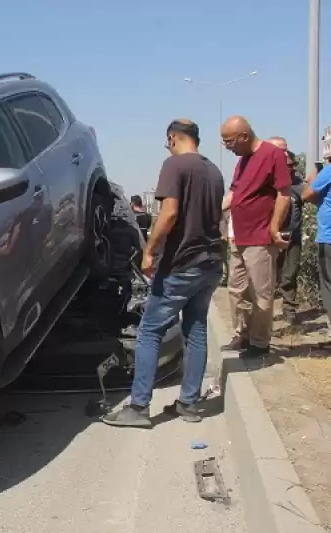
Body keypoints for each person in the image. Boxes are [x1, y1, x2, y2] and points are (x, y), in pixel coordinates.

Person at [102, 119, 224, 427]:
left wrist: (149, 250)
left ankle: (139, 408)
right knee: (196, 331)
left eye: (167, 143)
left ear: (173, 138)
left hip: (181, 265)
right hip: (210, 264)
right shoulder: (214, 171)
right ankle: (189, 403)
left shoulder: (175, 166)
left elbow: (168, 214)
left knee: (149, 332)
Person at [220, 116, 292, 358]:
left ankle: (259, 343)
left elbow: (284, 194)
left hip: (260, 237)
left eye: (228, 141)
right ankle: (242, 335)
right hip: (238, 236)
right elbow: (233, 193)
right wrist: (211, 212)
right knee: (236, 289)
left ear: (244, 136)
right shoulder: (242, 162)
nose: (226, 146)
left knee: (261, 293)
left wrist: (273, 228)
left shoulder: (273, 154)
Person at [302, 161, 331, 336]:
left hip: (329, 238)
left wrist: (312, 178)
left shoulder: (328, 172)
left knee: (328, 286)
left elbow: (306, 195)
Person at [275, 150, 304, 324]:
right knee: (269, 275)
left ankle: (289, 310)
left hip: (293, 237)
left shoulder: (300, 185)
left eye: (293, 166)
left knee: (290, 274)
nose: (291, 170)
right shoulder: (273, 185)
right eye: (287, 166)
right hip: (273, 236)